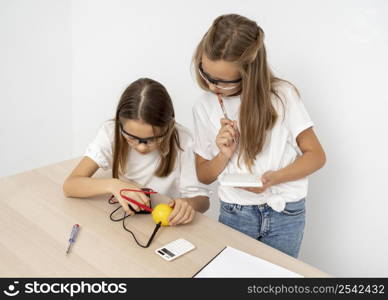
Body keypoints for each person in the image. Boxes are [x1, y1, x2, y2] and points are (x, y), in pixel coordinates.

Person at [192, 14, 326, 257]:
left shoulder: (282, 96)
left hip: (286, 213)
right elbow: (203, 175)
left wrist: (274, 178)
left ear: (249, 73)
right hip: (236, 213)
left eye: (222, 82)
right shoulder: (204, 106)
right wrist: (223, 154)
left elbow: (316, 156)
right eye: (206, 75)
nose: (212, 86)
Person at [64, 78, 209, 226]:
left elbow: (203, 201)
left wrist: (189, 204)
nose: (141, 147)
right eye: (132, 138)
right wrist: (114, 185)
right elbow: (70, 185)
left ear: (169, 127)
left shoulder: (184, 141)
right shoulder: (110, 132)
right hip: (125, 220)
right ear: (120, 125)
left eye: (152, 139)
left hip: (164, 225)